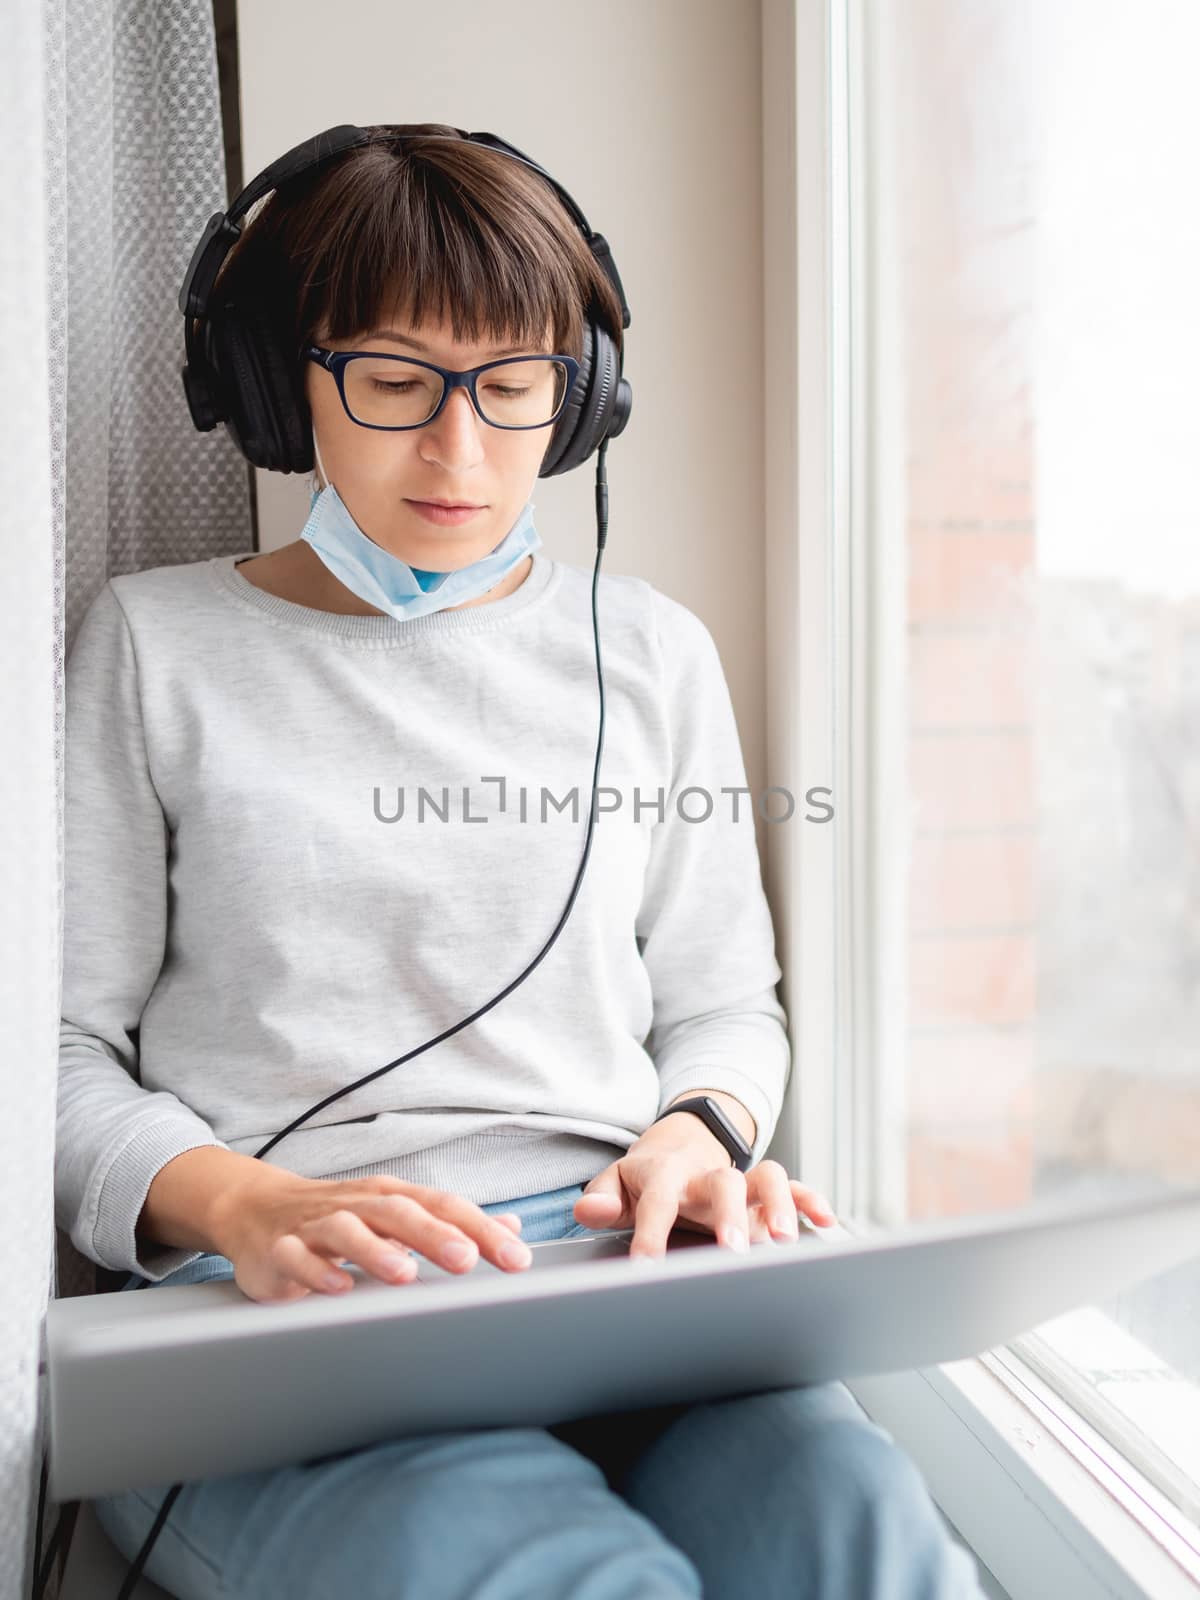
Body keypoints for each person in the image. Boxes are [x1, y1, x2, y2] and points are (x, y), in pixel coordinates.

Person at [56, 124, 986, 1598]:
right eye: (394, 380)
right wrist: (234, 1201)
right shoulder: (150, 646)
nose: (462, 449)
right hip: (300, 1313)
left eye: (511, 385)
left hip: (625, 1293)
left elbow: (724, 1006)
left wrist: (703, 1133)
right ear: (276, 382)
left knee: (856, 1528)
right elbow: (50, 1052)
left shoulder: (654, 652)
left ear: (584, 392)